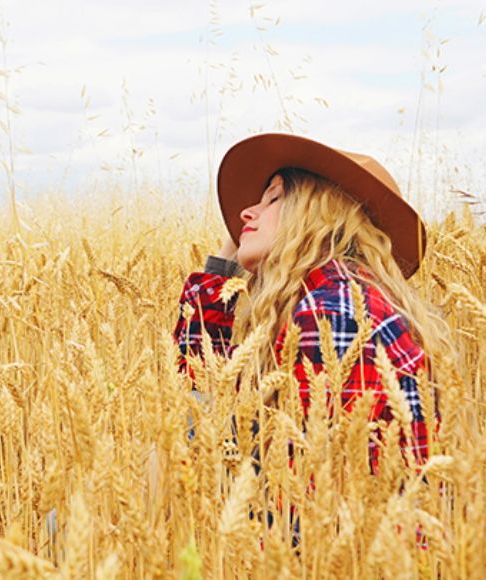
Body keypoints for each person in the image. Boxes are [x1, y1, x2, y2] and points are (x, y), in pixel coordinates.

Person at [171, 133, 448, 540]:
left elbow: (313, 508)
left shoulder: (332, 311)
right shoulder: (330, 294)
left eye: (274, 199)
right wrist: (237, 245)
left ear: (319, 214)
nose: (247, 212)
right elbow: (200, 366)